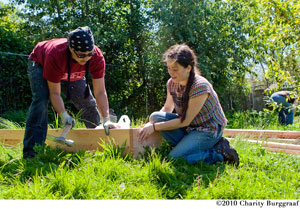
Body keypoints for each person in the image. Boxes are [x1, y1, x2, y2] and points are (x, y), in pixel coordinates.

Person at [23, 26, 115, 159]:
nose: (86, 58)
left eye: (89, 54)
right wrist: (63, 114)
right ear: (71, 48)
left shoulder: (96, 57)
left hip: (70, 71)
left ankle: (100, 143)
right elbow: (54, 93)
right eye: (81, 55)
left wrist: (106, 118)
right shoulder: (55, 54)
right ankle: (32, 153)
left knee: (86, 102)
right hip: (40, 63)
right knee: (41, 100)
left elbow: (100, 91)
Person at [139, 44, 239, 166]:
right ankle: (190, 147)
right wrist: (151, 124)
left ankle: (218, 153)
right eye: (169, 68)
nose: (171, 72)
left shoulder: (200, 86)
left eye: (175, 69)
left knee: (174, 159)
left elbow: (185, 121)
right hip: (190, 128)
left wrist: (154, 128)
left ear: (188, 68)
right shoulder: (172, 83)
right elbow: (167, 108)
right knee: (155, 117)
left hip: (208, 129)